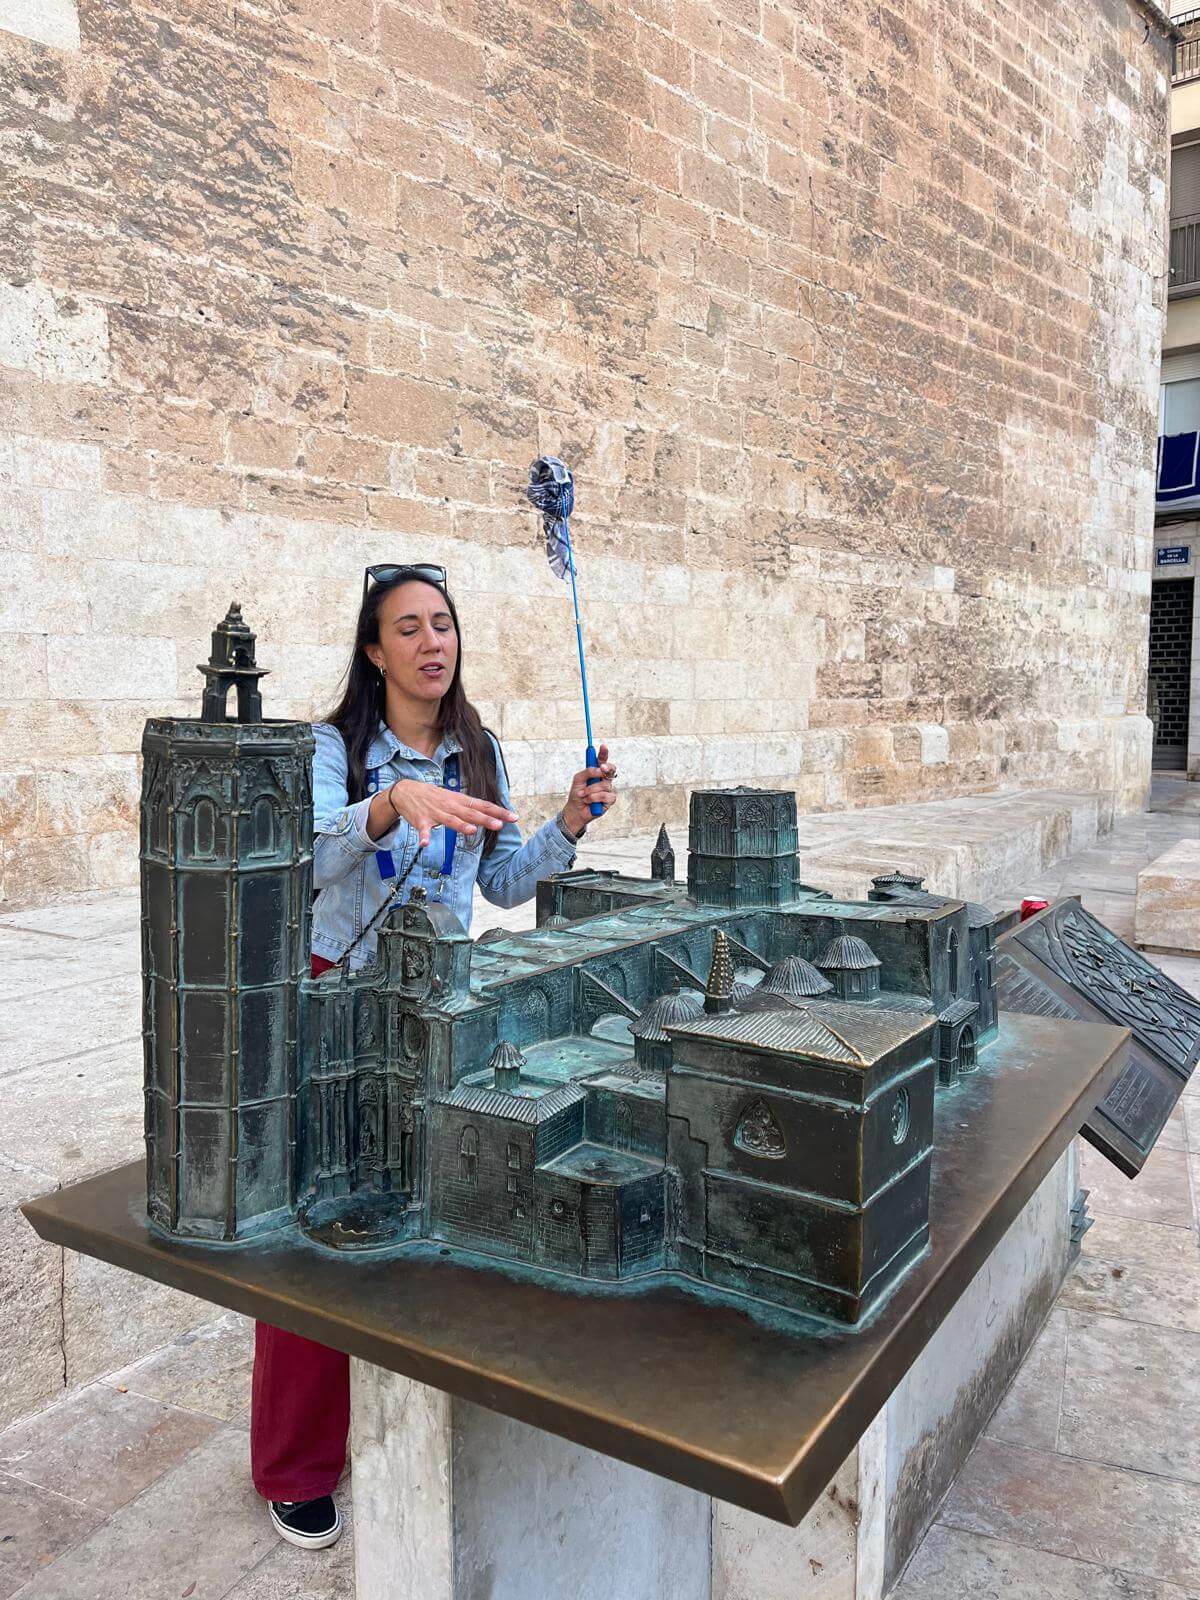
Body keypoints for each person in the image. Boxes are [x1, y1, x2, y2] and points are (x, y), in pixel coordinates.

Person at [251, 562, 618, 1549]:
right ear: (373, 651)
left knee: (435, 1196)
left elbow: (500, 879)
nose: (430, 642)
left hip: (437, 996)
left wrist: (569, 823)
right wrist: (389, 803)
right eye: (406, 627)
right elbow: (313, 851)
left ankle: (421, 1419)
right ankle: (294, 1463)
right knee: (313, 1216)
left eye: (443, 624)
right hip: (343, 994)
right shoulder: (336, 748)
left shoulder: (476, 747)